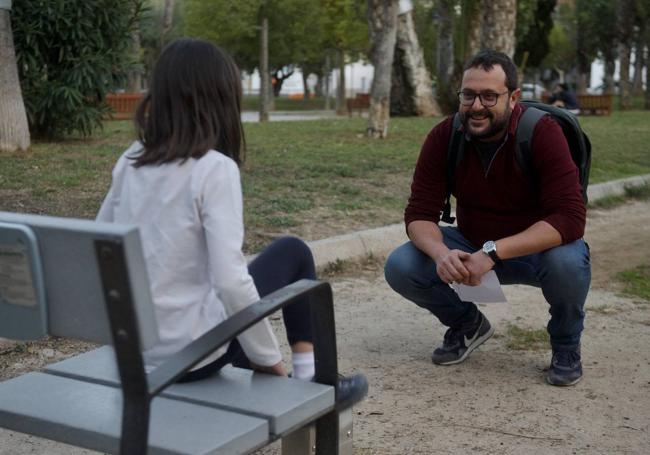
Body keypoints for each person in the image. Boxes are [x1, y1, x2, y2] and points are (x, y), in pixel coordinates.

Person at [97, 38, 367, 407]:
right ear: (221, 99)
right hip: (193, 358)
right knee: (294, 252)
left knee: (282, 257)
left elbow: (100, 243)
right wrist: (268, 361)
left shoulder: (130, 159)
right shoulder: (213, 169)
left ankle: (307, 377)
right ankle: (309, 381)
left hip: (137, 355)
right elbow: (230, 283)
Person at [384, 50, 590, 386]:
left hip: (536, 254)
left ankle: (566, 345)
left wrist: (493, 252)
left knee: (568, 261)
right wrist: (442, 254)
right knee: (401, 265)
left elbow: (569, 218)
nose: (476, 106)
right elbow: (419, 214)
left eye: (489, 96)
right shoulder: (444, 136)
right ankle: (468, 325)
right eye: (468, 95)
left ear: (512, 98)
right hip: (470, 247)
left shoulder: (543, 133)